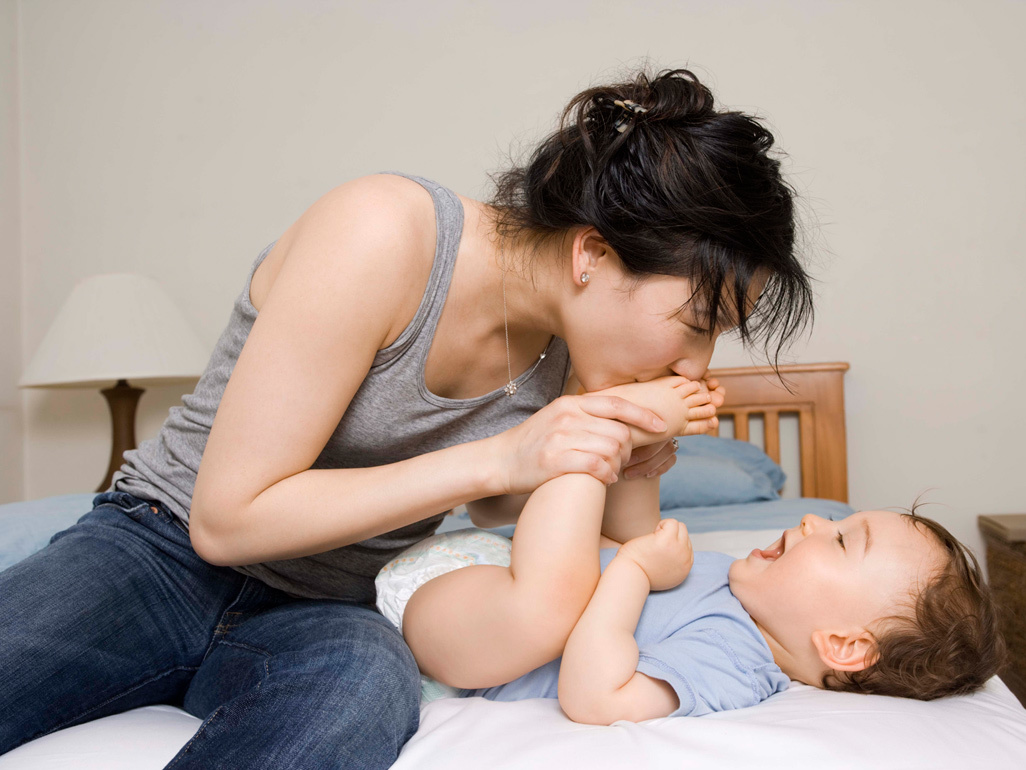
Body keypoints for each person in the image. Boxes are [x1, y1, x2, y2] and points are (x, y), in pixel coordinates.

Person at [0, 67, 814, 767]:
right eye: (699, 324)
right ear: (593, 255)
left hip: (331, 608)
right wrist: (506, 456)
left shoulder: (577, 350)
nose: (697, 366)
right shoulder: (382, 232)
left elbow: (497, 512)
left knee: (363, 689)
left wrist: (596, 458)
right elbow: (224, 521)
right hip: (160, 549)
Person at [379, 375, 1007, 723]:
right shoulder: (735, 586)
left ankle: (604, 413)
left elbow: (596, 698)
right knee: (605, 511)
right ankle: (626, 434)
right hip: (486, 574)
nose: (816, 518)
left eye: (843, 540)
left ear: (842, 645)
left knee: (578, 502)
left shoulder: (737, 664)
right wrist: (645, 477)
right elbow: (618, 546)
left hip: (470, 635)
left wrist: (633, 569)